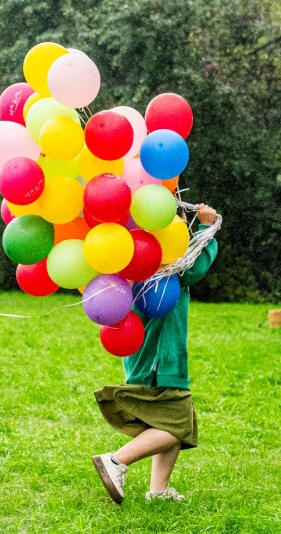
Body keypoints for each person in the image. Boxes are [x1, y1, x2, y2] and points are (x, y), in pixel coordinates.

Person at [91, 203, 219, 504]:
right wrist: (206, 229)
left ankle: (159, 489)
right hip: (161, 362)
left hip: (144, 360)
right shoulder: (166, 267)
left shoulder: (135, 263)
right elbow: (194, 268)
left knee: (166, 421)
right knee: (178, 424)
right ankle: (115, 461)